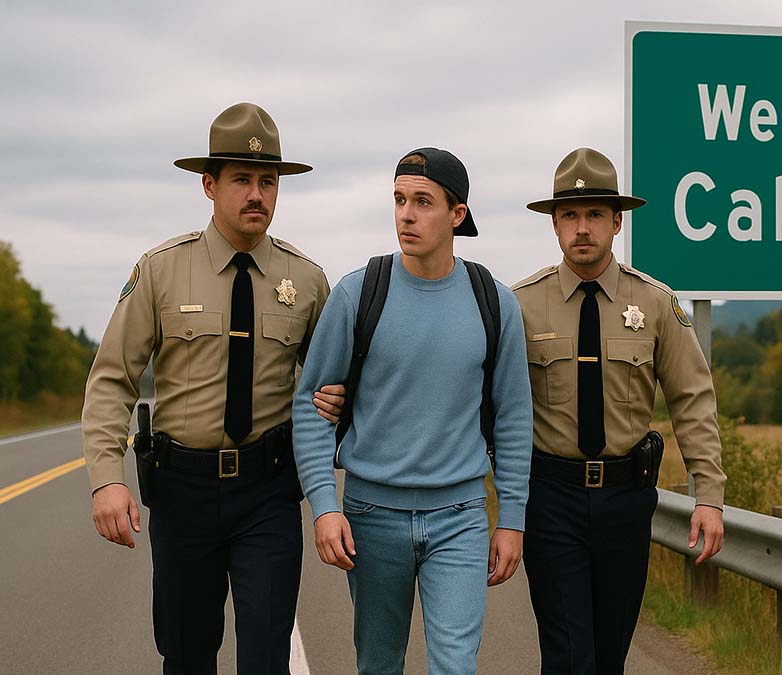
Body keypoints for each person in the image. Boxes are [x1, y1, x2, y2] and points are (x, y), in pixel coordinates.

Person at [82, 102, 345, 675]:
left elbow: (336, 385)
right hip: (183, 494)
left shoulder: (306, 281)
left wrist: (340, 409)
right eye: (242, 180)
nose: (257, 194)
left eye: (268, 182)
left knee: (265, 657)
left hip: (269, 492)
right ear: (209, 184)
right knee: (185, 654)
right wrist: (107, 480)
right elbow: (111, 379)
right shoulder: (160, 270)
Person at [291, 147, 533, 675]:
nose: (406, 214)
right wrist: (325, 505)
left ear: (457, 214)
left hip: (461, 518)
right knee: (378, 665)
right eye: (399, 200)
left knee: (455, 667)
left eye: (423, 201)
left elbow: (514, 417)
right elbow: (310, 407)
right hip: (371, 517)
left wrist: (511, 517)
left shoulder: (494, 302)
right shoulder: (358, 295)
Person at [513, 147, 726, 674]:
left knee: (609, 656)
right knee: (566, 658)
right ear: (555, 225)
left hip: (626, 502)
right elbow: (484, 400)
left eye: (594, 215)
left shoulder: (654, 304)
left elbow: (692, 398)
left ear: (617, 221)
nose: (581, 228)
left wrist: (710, 496)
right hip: (551, 500)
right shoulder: (519, 304)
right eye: (570, 216)